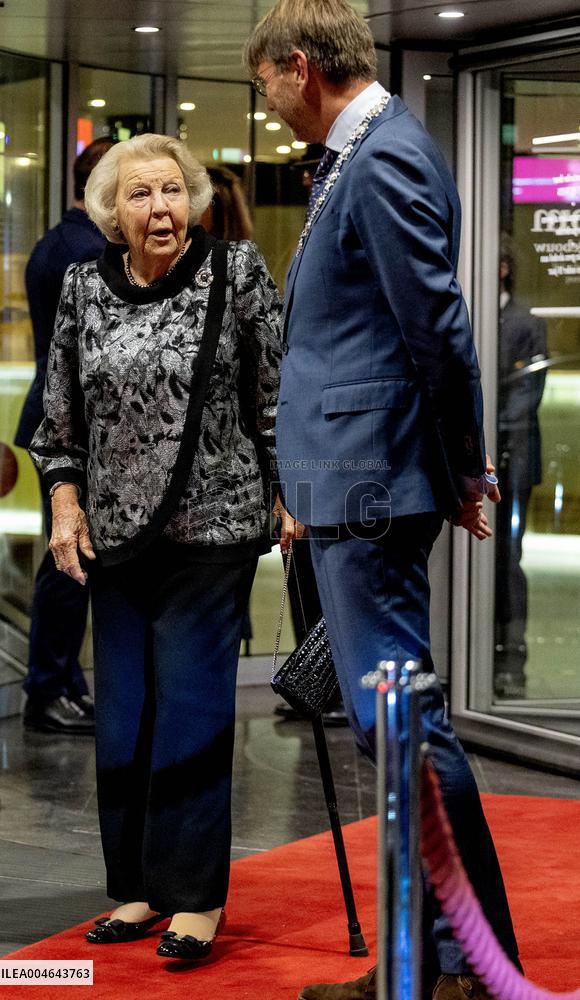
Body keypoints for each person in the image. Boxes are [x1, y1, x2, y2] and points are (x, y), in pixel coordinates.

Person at [246, 3, 522, 999]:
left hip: (372, 479)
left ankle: (466, 965)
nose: (266, 102)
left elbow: (438, 328)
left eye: (263, 82)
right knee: (393, 727)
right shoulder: (361, 154)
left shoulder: (384, 155)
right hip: (357, 477)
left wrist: (463, 469)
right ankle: (431, 961)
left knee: (402, 724)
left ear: (296, 67)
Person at [29, 133, 283, 963]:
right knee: (126, 714)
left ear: (194, 200)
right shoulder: (80, 287)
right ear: (111, 212)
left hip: (215, 528)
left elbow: (277, 392)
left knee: (191, 709)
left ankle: (195, 898)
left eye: (172, 191)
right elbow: (58, 424)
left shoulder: (235, 273)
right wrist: (65, 505)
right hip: (114, 536)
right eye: (138, 195)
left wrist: (292, 496)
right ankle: (137, 889)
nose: (159, 208)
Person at [15, 137, 113, 734]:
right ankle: (48, 689)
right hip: (71, 428)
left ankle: (62, 686)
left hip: (54, 420)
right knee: (68, 562)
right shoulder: (87, 252)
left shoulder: (57, 241)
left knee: (70, 561)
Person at [494, 237, 547, 699]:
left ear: (505, 268)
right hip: (481, 456)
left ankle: (512, 660)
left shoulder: (526, 322)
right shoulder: (468, 316)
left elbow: (526, 397)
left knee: (508, 559)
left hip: (513, 459)